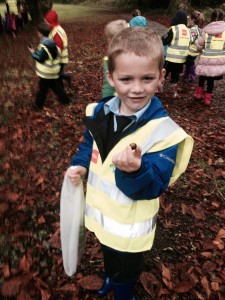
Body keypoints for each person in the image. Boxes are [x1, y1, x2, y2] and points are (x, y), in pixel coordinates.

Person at [66, 27, 193, 299]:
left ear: (160, 78)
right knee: (109, 256)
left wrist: (134, 171)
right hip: (102, 219)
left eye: (147, 78)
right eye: (126, 79)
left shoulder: (164, 132)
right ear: (111, 78)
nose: (137, 88)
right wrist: (80, 165)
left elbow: (154, 184)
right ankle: (111, 279)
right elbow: (90, 144)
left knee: (128, 268)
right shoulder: (100, 111)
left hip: (131, 231)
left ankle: (124, 292)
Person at [28, 22, 70, 110]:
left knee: (43, 89)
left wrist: (32, 52)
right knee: (55, 86)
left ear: (40, 33)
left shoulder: (44, 46)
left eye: (37, 32)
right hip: (53, 71)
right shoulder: (52, 43)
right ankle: (65, 100)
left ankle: (38, 105)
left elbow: (39, 58)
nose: (37, 33)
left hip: (46, 73)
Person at [194, 8, 225, 106]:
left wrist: (200, 51)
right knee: (211, 79)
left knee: (202, 76)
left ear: (211, 17)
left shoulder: (206, 30)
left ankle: (199, 94)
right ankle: (207, 98)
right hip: (218, 60)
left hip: (206, 58)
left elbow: (199, 45)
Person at [162, 10, 190, 98]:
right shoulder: (188, 31)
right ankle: (174, 93)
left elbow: (164, 40)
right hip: (181, 59)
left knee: (164, 74)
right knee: (176, 76)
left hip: (170, 58)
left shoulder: (174, 29)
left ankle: (159, 89)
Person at [101, 19, 128, 98]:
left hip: (117, 100)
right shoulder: (135, 55)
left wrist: (105, 101)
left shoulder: (110, 60)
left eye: (109, 39)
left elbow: (109, 86)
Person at [44, 9, 71, 87]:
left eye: (46, 22)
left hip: (59, 58)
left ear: (51, 22)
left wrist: (52, 57)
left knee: (57, 75)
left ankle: (62, 93)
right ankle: (66, 80)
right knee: (57, 75)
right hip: (58, 58)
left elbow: (58, 48)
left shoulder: (57, 32)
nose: (45, 23)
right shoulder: (54, 29)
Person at [183, 10, 204, 81]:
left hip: (191, 51)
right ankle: (186, 75)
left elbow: (191, 39)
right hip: (194, 50)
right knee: (188, 63)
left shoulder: (194, 29)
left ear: (193, 20)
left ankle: (192, 75)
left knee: (190, 63)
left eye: (190, 19)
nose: (189, 20)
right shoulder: (198, 28)